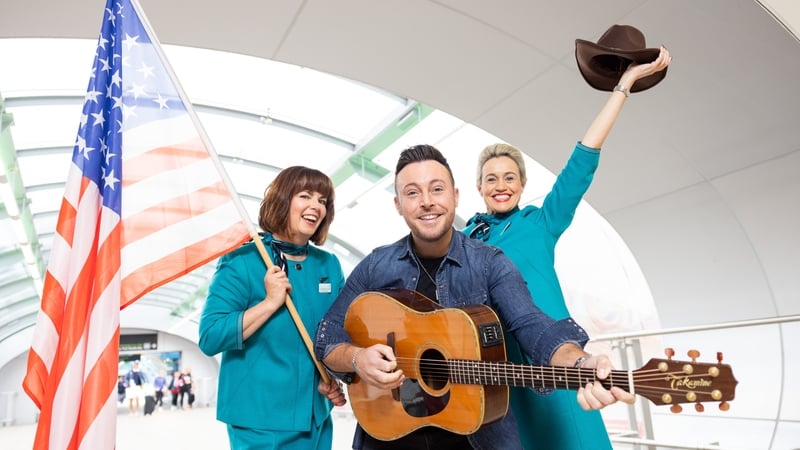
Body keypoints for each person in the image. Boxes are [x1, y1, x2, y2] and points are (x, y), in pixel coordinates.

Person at [314, 145, 635, 450]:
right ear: (398, 204)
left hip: (481, 438)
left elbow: (533, 326)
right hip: (388, 435)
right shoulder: (375, 266)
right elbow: (328, 337)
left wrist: (580, 363)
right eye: (412, 193)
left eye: (437, 189)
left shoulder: (490, 262)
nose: (426, 201)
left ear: (455, 196)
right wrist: (358, 359)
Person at [462, 32, 672, 450]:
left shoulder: (541, 222)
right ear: (479, 188)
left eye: (509, 177)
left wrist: (623, 88)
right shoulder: (463, 239)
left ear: (522, 185)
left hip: (554, 364)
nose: (500, 185)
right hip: (495, 377)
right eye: (491, 179)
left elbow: (582, 160)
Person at [199, 166, 347, 450]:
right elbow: (210, 337)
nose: (316, 206)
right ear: (282, 200)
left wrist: (333, 376)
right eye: (305, 196)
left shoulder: (329, 265)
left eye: (323, 201)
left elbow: (338, 334)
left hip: (316, 418)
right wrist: (269, 304)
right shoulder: (242, 261)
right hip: (260, 422)